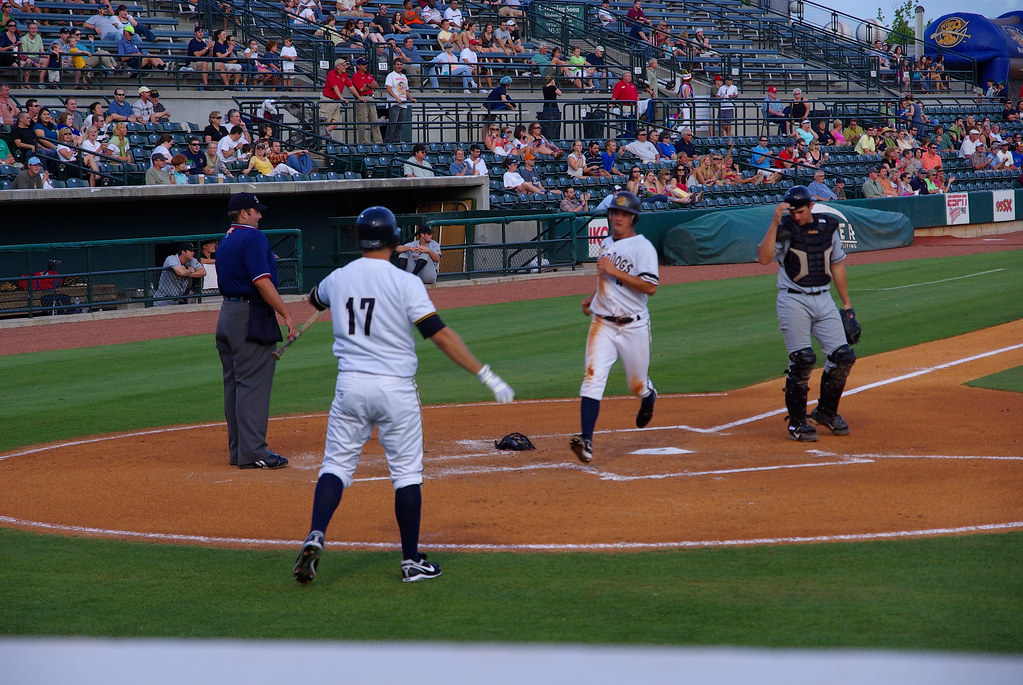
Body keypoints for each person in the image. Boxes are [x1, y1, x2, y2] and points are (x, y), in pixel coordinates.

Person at [292, 205, 513, 585]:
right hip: (395, 389)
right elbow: (440, 335)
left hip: (350, 386)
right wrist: (486, 375)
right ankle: (411, 561)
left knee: (336, 466)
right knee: (406, 473)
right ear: (395, 240)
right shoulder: (405, 282)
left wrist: (328, 295)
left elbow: (315, 298)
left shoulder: (339, 277)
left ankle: (316, 533)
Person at [756, 186, 856, 443]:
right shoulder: (785, 229)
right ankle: (797, 422)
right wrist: (774, 223)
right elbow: (764, 258)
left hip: (823, 297)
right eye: (793, 212)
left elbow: (837, 265)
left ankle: (826, 412)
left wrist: (847, 306)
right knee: (802, 360)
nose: (797, 216)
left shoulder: (828, 227)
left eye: (800, 211)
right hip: (793, 300)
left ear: (811, 206)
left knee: (843, 356)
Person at [570, 191, 658, 465]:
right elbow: (607, 282)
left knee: (637, 385)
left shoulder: (643, 247)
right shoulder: (607, 243)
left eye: (624, 214)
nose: (618, 218)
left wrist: (614, 270)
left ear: (633, 218)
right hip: (603, 323)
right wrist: (592, 297)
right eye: (614, 213)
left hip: (634, 326)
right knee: (592, 378)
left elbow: (650, 287)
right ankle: (586, 441)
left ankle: (648, 396)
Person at [215, 193, 297, 470]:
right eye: (256, 211)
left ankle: (239, 450)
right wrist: (286, 314)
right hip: (250, 315)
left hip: (227, 315)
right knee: (253, 385)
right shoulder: (253, 237)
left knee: (235, 385)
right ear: (244, 213)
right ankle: (253, 452)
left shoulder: (227, 238)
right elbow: (261, 282)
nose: (260, 215)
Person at [384, 57, 415, 143]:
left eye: (401, 64)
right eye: (398, 64)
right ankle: (388, 140)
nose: (399, 66)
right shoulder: (391, 75)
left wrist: (410, 98)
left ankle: (397, 140)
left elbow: (406, 89)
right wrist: (396, 98)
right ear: (394, 65)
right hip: (394, 104)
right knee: (392, 124)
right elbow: (388, 88)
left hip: (403, 103)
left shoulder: (404, 76)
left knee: (400, 125)